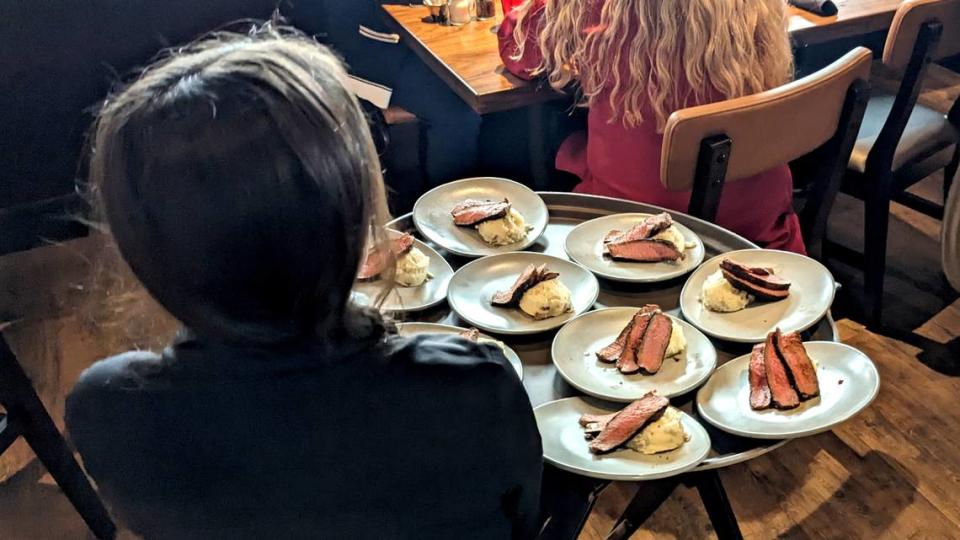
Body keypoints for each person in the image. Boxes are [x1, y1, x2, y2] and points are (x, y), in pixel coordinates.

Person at [65, 25, 541, 539]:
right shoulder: (470, 385)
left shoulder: (108, 408)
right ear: (354, 213)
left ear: (142, 245)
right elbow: (523, 524)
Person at [497, 0, 806, 253]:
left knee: (554, 141)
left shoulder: (604, 10)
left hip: (634, 227)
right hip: (756, 221)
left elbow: (516, 45)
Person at [293, 0, 482, 187]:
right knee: (457, 109)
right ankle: (448, 208)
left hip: (428, 35)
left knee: (489, 88)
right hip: (369, 45)